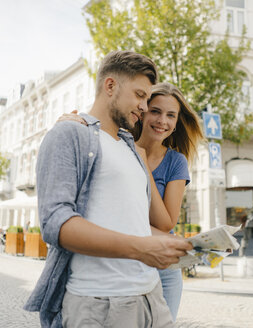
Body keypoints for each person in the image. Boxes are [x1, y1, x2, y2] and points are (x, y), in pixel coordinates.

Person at [23, 50, 192, 328]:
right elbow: (55, 223)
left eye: (147, 99)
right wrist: (140, 249)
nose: (144, 106)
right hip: (100, 303)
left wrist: (177, 245)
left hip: (152, 297)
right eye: (139, 95)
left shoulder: (131, 148)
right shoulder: (69, 133)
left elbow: (134, 221)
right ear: (110, 86)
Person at [58, 82, 204, 321]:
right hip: (118, 263)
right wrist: (74, 124)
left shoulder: (175, 162)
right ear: (143, 109)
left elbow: (165, 223)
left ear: (177, 122)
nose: (162, 121)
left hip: (163, 272)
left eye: (171, 115)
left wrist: (143, 163)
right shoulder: (116, 144)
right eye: (155, 111)